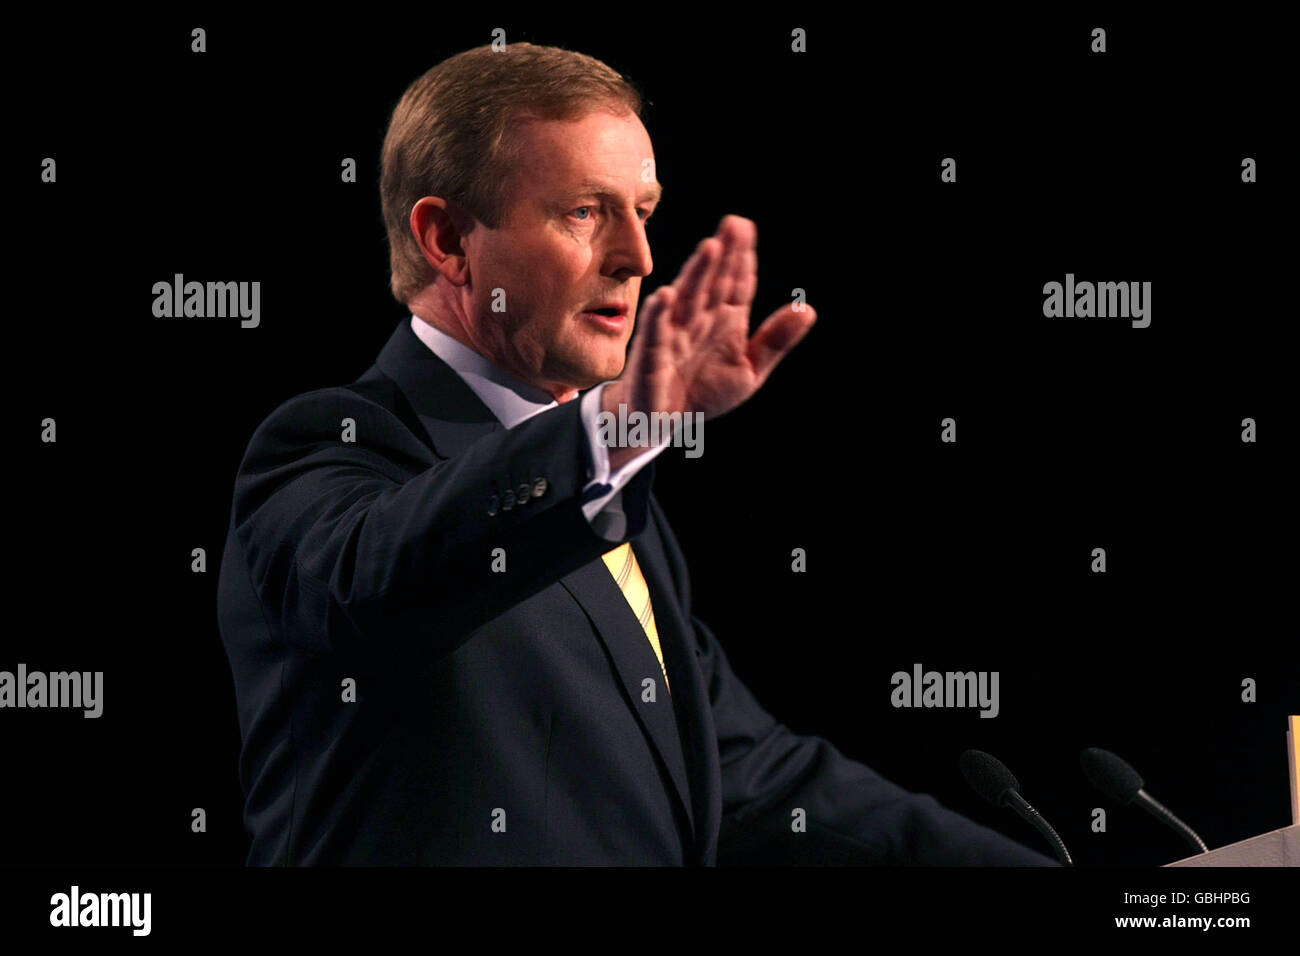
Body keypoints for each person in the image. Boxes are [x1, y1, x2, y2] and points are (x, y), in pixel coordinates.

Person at [216, 41, 1057, 866]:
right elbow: (367, 581)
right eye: (584, 212)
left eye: (643, 211)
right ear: (447, 240)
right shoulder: (335, 443)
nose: (639, 258)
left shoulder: (611, 495)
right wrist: (607, 434)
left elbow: (752, 775)